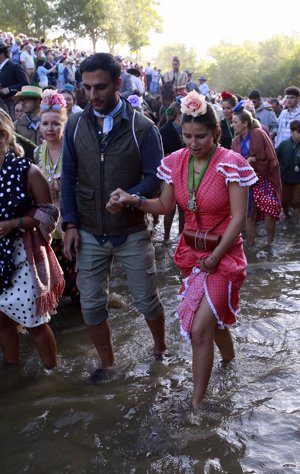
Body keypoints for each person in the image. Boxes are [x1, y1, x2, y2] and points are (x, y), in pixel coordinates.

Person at [107, 91, 257, 412]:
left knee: (199, 328)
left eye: (200, 136)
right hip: (191, 255)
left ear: (216, 133)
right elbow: (163, 206)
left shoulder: (232, 164)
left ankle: (196, 405)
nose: (193, 143)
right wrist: (135, 200)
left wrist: (217, 256)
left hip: (224, 256)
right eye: (187, 136)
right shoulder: (175, 162)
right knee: (212, 323)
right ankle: (229, 361)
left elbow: (239, 217)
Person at [60, 53, 167, 380]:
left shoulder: (143, 128)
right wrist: (69, 224)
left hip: (132, 229)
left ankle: (161, 350)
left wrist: (132, 196)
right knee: (91, 307)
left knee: (147, 301)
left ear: (118, 84)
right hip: (90, 230)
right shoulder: (75, 124)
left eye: (101, 87)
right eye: (87, 87)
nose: (93, 95)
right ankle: (109, 365)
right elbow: (68, 175)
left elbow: (156, 176)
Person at [0, 108, 64, 369]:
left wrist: (15, 223)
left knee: (34, 322)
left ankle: (52, 372)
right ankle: (13, 369)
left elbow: (49, 213)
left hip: (21, 256)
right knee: (1, 321)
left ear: (3, 136)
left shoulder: (26, 170)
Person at [35, 89, 79, 299]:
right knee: (53, 279)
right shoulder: (37, 151)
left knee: (78, 280)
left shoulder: (73, 149)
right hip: (47, 225)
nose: (50, 128)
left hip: (72, 220)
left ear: (64, 125)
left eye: (55, 123)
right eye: (45, 123)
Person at [232, 102, 282, 246]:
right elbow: (235, 162)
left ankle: (269, 243)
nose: (233, 125)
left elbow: (270, 156)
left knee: (270, 208)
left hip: (264, 176)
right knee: (249, 213)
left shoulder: (258, 133)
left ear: (245, 123)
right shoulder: (235, 141)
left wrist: (254, 160)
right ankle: (250, 245)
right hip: (246, 180)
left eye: (235, 122)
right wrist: (247, 162)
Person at [159, 101, 185, 241]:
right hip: (170, 174)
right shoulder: (164, 130)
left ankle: (181, 236)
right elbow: (159, 153)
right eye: (184, 115)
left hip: (185, 173)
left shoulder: (187, 130)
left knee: (183, 207)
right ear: (177, 116)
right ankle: (166, 237)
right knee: (169, 207)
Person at [276, 120, 300, 221]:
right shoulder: (284, 144)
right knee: (284, 201)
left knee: (297, 201)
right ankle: (287, 216)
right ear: (292, 132)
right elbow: (276, 159)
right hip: (285, 178)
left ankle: (294, 222)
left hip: (299, 180)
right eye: (299, 132)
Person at [0, 38, 29, 118]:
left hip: (10, 106)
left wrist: (9, 89)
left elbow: (25, 84)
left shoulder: (14, 67)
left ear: (2, 54)